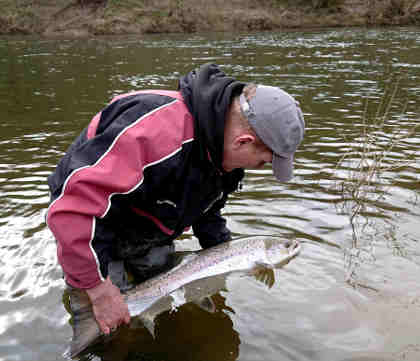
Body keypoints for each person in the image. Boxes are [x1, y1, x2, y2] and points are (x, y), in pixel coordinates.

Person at [46, 63, 305, 336]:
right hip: (95, 220)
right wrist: (97, 290)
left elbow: (209, 208)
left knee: (163, 300)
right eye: (262, 162)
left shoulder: (224, 153)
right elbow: (72, 212)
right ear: (243, 141)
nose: (258, 169)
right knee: (110, 325)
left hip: (150, 219)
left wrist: (232, 256)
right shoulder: (152, 133)